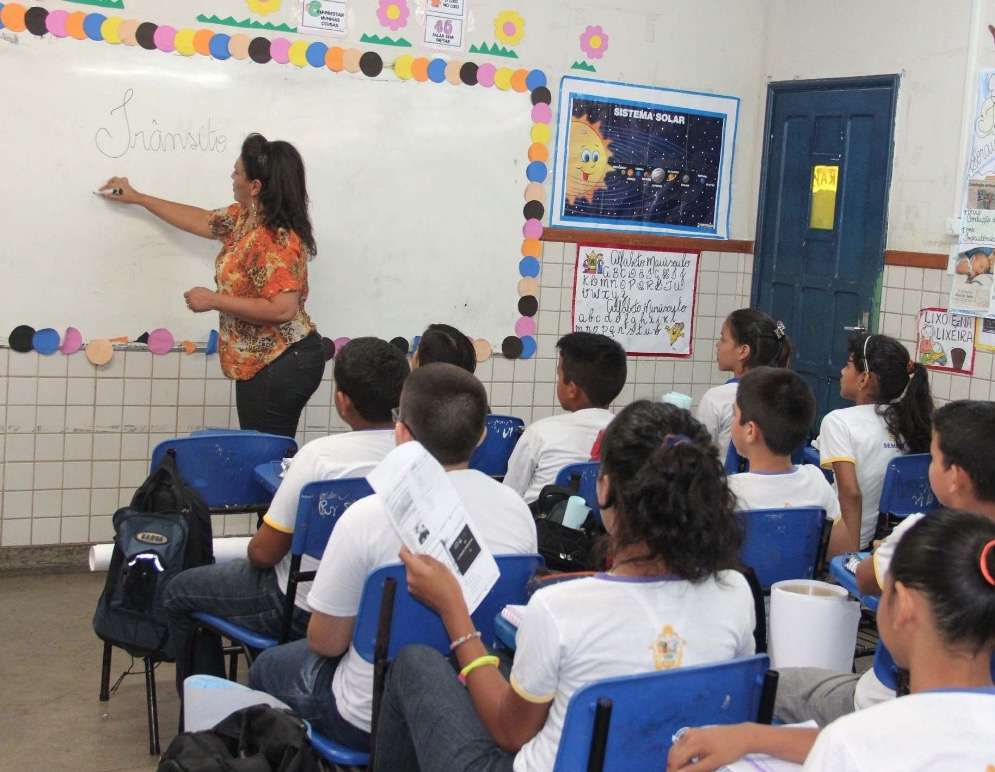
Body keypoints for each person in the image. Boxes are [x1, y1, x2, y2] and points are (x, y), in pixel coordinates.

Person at [372, 401, 756, 772]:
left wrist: (453, 609)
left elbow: (510, 733)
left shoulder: (559, 608)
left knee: (414, 663)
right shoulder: (735, 592)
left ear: (604, 489)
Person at [247, 363, 538, 749]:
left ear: (401, 434)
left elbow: (326, 643)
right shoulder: (517, 510)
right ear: (482, 435)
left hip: (370, 714)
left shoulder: (366, 516)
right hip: (477, 700)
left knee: (265, 668)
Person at [163, 337, 409, 693]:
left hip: (303, 609)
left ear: (343, 402)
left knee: (178, 590)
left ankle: (210, 706)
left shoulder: (320, 456)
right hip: (386, 609)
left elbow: (264, 553)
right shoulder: (420, 457)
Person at [667, 508, 995, 771]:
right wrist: (751, 736)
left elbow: (857, 747)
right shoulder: (864, 741)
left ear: (904, 606)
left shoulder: (851, 745)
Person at [99, 133, 324, 438]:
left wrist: (214, 300)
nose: (232, 177)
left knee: (266, 453)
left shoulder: (274, 240)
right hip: (264, 361)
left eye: (237, 173)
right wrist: (139, 198)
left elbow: (283, 310)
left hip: (281, 361)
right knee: (262, 449)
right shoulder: (244, 218)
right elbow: (200, 220)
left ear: (255, 187)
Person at [818, 333, 933, 556]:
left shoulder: (838, 421)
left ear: (864, 379)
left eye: (848, 366)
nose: (842, 371)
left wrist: (848, 558)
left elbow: (851, 493)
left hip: (852, 539)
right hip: (892, 540)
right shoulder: (911, 421)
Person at [503, 332, 627, 504]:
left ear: (572, 390)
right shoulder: (627, 435)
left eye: (559, 376)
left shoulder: (539, 433)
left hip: (540, 520)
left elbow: (508, 496)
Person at [727, 367, 839, 521]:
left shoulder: (726, 493)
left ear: (750, 431)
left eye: (735, 415)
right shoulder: (817, 482)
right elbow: (840, 535)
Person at [695, 309, 793, 462]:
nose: (717, 345)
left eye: (723, 339)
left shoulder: (716, 398)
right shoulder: (784, 394)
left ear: (743, 351)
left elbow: (696, 454)